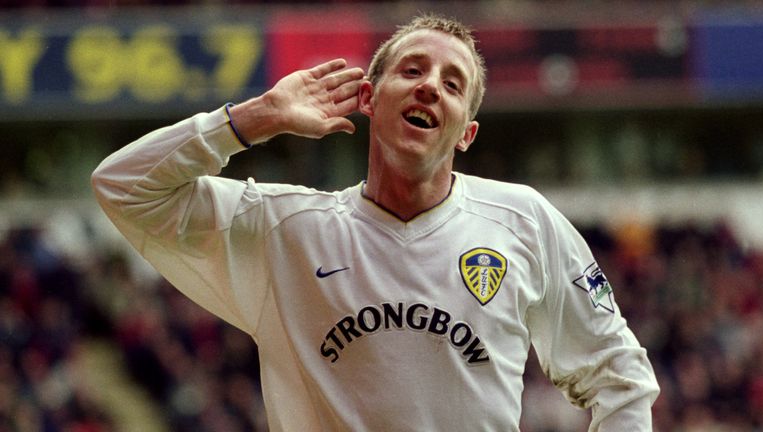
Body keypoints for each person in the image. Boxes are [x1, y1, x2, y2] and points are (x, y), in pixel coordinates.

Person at [92, 13, 659, 431]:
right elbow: (122, 186)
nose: (430, 84)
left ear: (466, 133)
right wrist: (253, 118)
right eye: (412, 69)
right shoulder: (284, 230)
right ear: (368, 98)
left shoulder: (523, 222)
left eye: (453, 83)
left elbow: (620, 377)